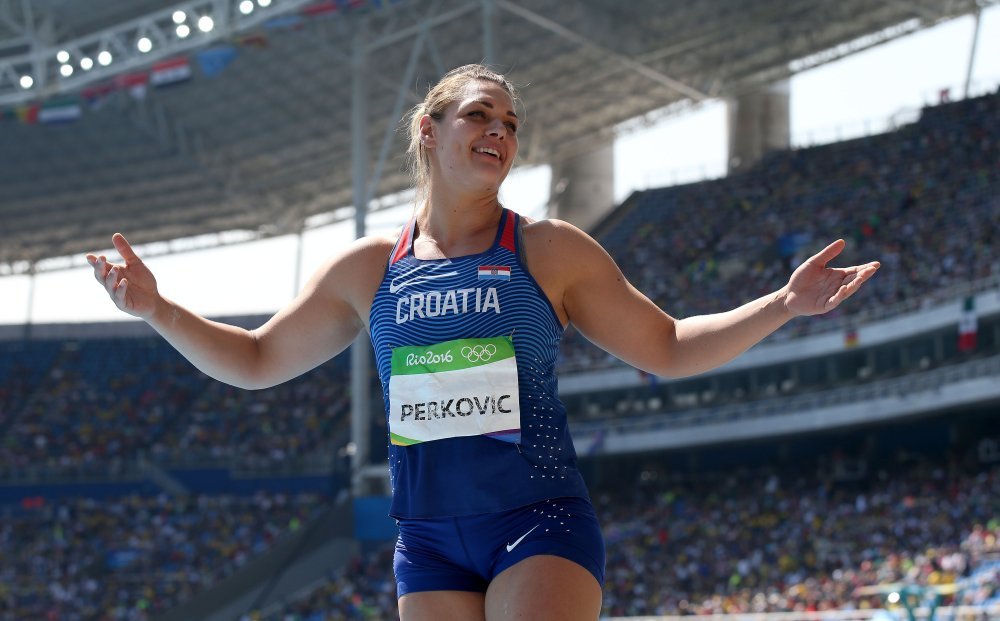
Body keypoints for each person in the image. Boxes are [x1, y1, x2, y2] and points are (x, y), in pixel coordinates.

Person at [87, 64, 880, 620]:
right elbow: (257, 360)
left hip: (538, 522)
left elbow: (667, 345)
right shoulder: (369, 267)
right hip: (427, 538)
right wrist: (157, 308)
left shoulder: (549, 248)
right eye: (479, 115)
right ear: (428, 130)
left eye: (510, 124)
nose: (499, 130)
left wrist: (782, 304)